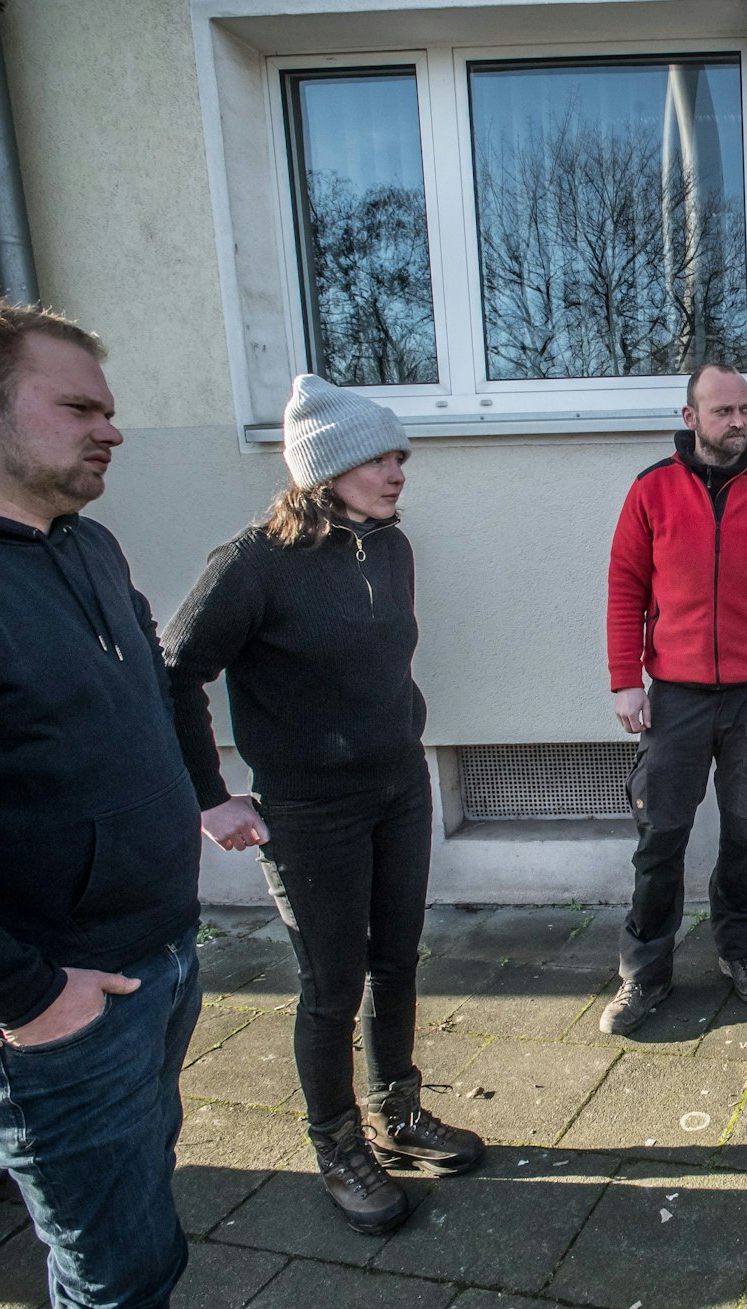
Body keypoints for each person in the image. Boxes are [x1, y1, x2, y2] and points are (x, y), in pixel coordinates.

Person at [0, 288, 201, 1309]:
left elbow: (153, 691)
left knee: (143, 1230)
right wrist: (30, 996)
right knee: (118, 1281)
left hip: (159, 962)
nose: (112, 430)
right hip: (48, 1010)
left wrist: (201, 802)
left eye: (109, 410)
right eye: (79, 408)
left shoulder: (86, 545)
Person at [164, 375, 482, 1235]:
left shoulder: (390, 547)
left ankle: (398, 1111)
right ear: (324, 469)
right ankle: (337, 1145)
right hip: (311, 813)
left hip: (398, 788)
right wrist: (208, 798)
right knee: (332, 986)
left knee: (398, 961)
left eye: (400, 457)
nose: (397, 472)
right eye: (379, 459)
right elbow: (174, 672)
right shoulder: (252, 563)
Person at [602, 363, 747, 1035]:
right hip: (676, 696)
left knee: (746, 832)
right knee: (661, 834)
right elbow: (625, 588)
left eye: (744, 410)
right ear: (690, 416)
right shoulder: (652, 491)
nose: (737, 421)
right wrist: (624, 678)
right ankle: (645, 972)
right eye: (723, 410)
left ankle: (738, 949)